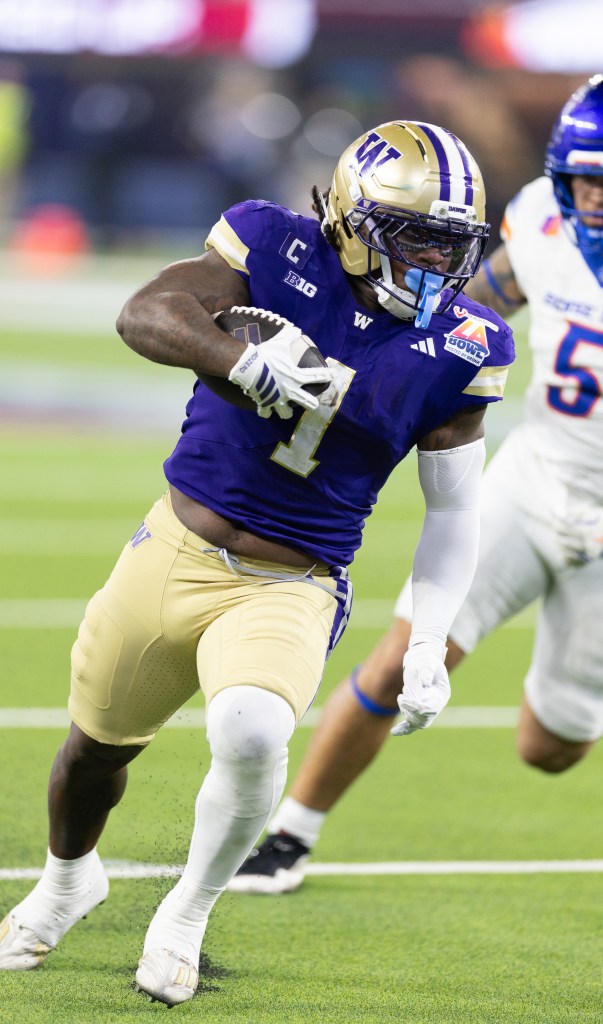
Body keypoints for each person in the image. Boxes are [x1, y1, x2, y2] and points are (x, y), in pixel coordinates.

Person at [0, 119, 514, 1005]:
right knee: (91, 756)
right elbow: (145, 312)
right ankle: (69, 879)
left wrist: (428, 640)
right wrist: (240, 361)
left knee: (253, 730)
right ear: (348, 218)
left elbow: (456, 509)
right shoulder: (271, 242)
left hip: (293, 581)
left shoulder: (466, 344)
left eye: (449, 244)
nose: (432, 263)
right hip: (174, 544)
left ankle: (187, 911)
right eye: (413, 236)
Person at [229, 75, 603, 897]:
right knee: (401, 660)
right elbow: (472, 304)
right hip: (537, 479)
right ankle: (290, 833)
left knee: (550, 750)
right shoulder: (544, 219)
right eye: (589, 180)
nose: (598, 201)